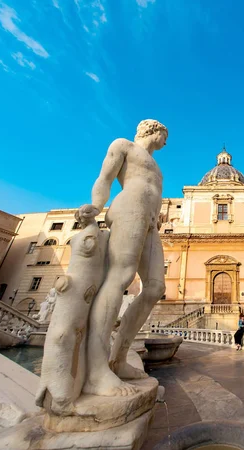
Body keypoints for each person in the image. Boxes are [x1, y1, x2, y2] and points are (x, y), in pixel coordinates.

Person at [78, 119, 169, 396]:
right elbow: (104, 178)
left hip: (151, 221)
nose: (166, 142)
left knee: (155, 288)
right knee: (120, 277)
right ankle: (96, 369)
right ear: (153, 131)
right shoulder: (123, 145)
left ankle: (118, 359)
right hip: (129, 207)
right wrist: (95, 205)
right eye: (165, 136)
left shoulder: (157, 167)